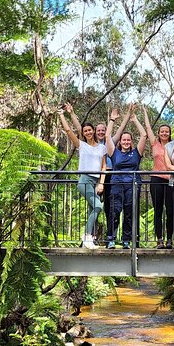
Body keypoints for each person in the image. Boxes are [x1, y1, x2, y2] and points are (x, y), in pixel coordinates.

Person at [65, 103, 129, 243]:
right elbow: (78, 129)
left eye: (102, 130)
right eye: (98, 130)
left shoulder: (108, 143)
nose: (100, 132)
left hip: (108, 177)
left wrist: (122, 117)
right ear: (94, 131)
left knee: (107, 208)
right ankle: (89, 237)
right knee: (95, 207)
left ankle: (108, 238)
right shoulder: (85, 145)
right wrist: (71, 113)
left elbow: (119, 132)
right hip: (93, 178)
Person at [58, 106, 107, 249]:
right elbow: (68, 131)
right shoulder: (81, 145)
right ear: (83, 133)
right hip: (84, 180)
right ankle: (87, 236)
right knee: (98, 206)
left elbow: (103, 167)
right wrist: (62, 115)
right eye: (85, 131)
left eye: (90, 130)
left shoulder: (101, 148)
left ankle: (89, 239)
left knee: (93, 209)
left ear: (93, 131)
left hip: (95, 182)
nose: (88, 132)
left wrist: (101, 183)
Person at [105, 108, 147, 249]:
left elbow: (144, 135)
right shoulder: (114, 152)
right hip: (117, 184)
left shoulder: (137, 152)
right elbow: (107, 136)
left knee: (129, 213)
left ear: (131, 141)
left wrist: (134, 120)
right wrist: (112, 120)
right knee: (114, 211)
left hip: (133, 185)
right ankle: (111, 239)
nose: (126, 142)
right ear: (120, 141)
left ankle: (126, 240)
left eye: (128, 140)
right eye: (124, 140)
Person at [143, 109, 173, 249]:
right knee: (158, 210)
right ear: (159, 133)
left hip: (170, 180)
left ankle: (169, 241)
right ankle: (160, 240)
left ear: (170, 133)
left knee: (170, 210)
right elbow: (148, 128)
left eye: (167, 131)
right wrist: (144, 112)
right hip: (156, 179)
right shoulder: (155, 144)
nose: (164, 133)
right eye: (162, 131)